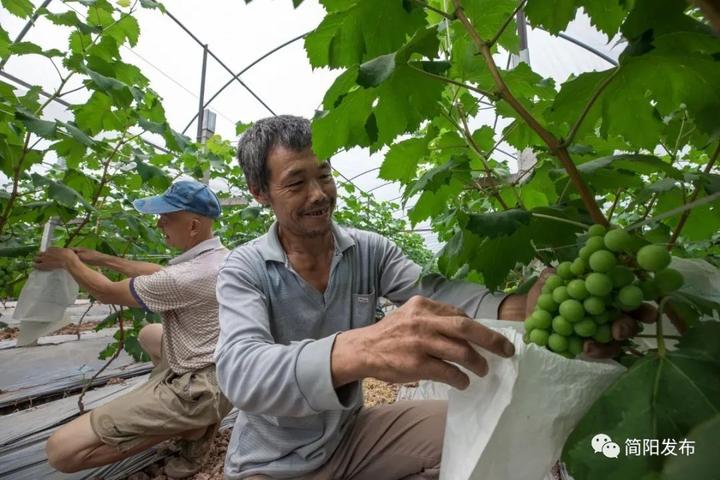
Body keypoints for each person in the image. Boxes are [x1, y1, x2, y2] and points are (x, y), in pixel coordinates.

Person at [215, 116, 642, 480]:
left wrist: (521, 309)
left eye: (324, 175)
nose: (319, 194)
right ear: (259, 192)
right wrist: (361, 348)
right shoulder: (245, 269)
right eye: (296, 183)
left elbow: (437, 294)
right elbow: (239, 372)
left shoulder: (369, 250)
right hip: (271, 462)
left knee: (495, 427)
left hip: (350, 436)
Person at [35, 180, 233, 479]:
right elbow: (162, 273)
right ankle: (190, 418)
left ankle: (188, 424)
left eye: (167, 217)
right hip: (226, 371)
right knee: (148, 334)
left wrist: (67, 260)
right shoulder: (217, 258)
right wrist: (100, 258)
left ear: (193, 226)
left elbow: (106, 292)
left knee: (60, 452)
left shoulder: (187, 277)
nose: (159, 222)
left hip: (203, 387)